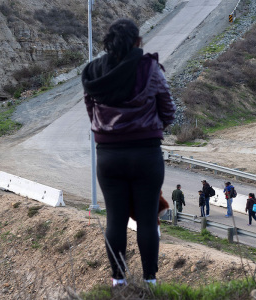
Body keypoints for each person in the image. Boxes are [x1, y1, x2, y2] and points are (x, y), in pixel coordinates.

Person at [81, 19, 176, 286]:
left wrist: (107, 132)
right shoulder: (149, 69)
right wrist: (153, 127)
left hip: (109, 156)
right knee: (147, 219)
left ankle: (118, 282)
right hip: (146, 154)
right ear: (137, 41)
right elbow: (168, 109)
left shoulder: (94, 72)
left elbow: (92, 114)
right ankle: (149, 281)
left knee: (115, 219)